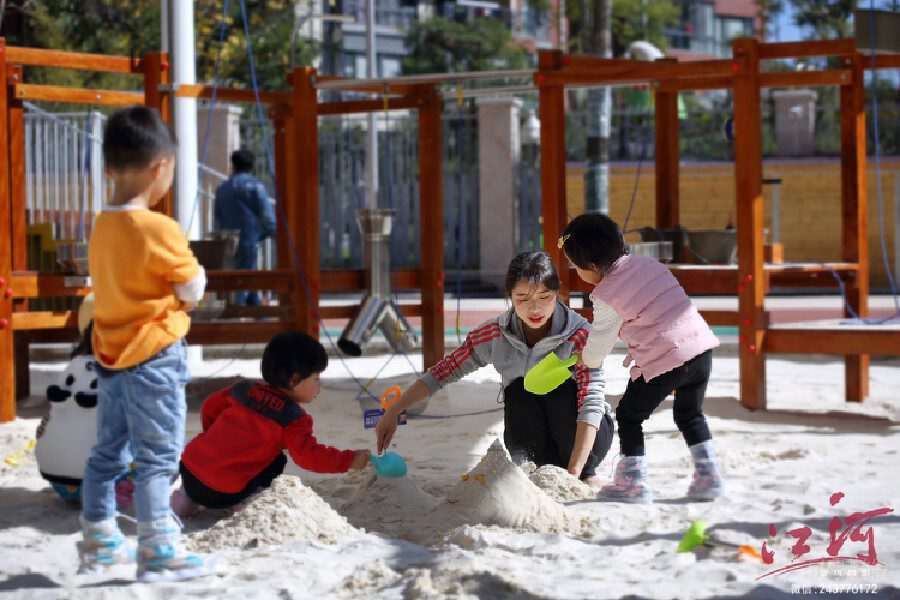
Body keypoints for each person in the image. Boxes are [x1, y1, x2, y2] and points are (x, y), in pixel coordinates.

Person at [79, 105, 216, 582]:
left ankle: (98, 540)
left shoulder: (101, 226)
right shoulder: (160, 228)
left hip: (111, 356)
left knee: (107, 452)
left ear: (109, 167)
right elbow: (192, 287)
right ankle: (157, 546)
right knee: (157, 457)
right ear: (161, 168)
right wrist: (192, 283)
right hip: (156, 357)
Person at [375, 251, 614, 486]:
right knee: (518, 391)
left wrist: (574, 474)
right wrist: (393, 410)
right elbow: (444, 371)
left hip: (586, 439)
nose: (535, 309)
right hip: (537, 442)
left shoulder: (581, 334)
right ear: (509, 296)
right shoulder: (494, 334)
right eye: (522, 298)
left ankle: (586, 472)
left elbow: (591, 402)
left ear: (557, 293)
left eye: (544, 297)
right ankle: (535, 467)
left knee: (562, 390)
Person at [560, 213, 723, 504]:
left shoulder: (606, 295)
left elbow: (600, 342)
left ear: (594, 266)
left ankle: (632, 484)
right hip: (700, 350)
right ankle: (710, 478)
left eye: (575, 266)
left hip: (665, 360)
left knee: (629, 416)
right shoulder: (650, 264)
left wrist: (585, 359)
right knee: (690, 414)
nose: (576, 272)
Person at [170, 331, 371, 518]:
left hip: (188, 470)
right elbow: (308, 457)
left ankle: (186, 500)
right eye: (316, 378)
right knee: (276, 461)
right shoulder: (293, 418)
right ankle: (248, 501)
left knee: (210, 464)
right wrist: (349, 460)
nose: (320, 385)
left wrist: (214, 437)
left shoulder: (243, 389)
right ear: (295, 379)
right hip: (225, 493)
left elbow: (210, 406)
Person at [35, 296, 134, 510]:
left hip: (61, 482)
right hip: (106, 481)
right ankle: (120, 490)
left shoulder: (74, 366)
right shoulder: (124, 369)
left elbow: (46, 423)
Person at [214, 149, 276, 306]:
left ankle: (253, 313)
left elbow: (218, 220)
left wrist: (218, 242)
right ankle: (244, 315)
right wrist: (276, 235)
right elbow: (267, 216)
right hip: (250, 238)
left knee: (237, 279)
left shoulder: (222, 189)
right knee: (247, 279)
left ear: (233, 166)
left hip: (228, 241)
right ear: (251, 166)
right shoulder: (255, 186)